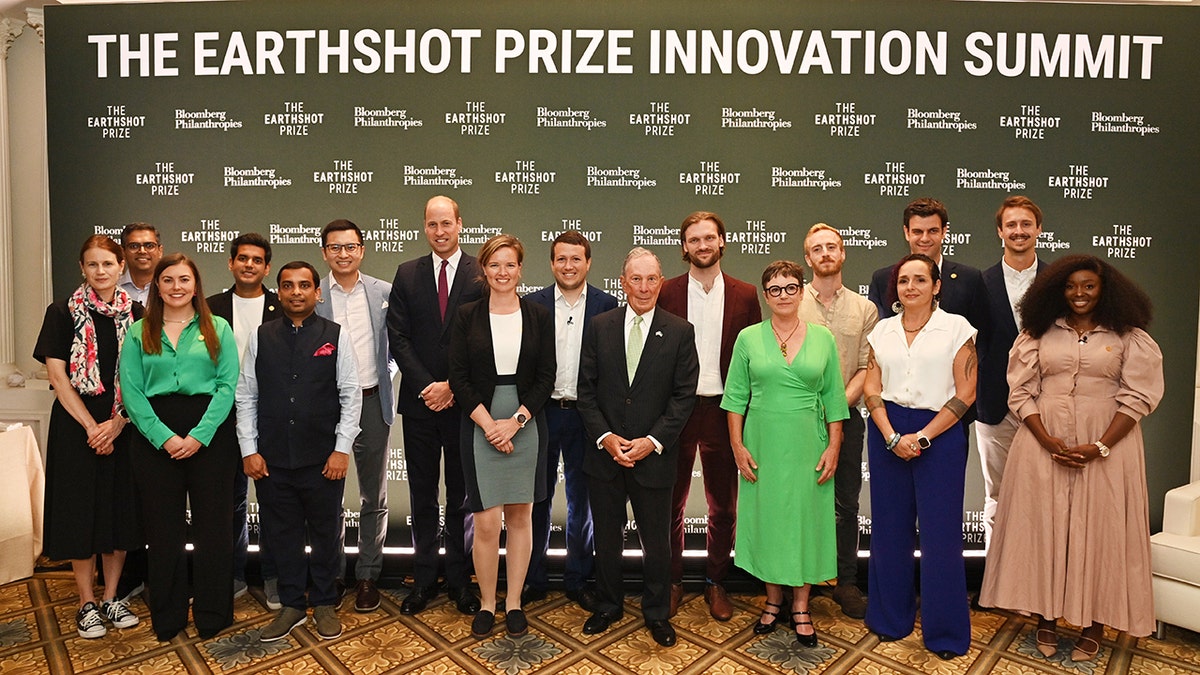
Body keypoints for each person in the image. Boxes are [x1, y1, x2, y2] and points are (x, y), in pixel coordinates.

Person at [980, 255, 1162, 662]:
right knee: (1045, 529)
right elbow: (1021, 392)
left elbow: (1138, 397)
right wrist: (1046, 439)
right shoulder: (1037, 332)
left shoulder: (1130, 336)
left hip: (1109, 449)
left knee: (1099, 531)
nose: (1079, 294)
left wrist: (1099, 446)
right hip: (1042, 444)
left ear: (1105, 290)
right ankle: (1046, 618)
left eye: (1089, 286)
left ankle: (1093, 624)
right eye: (1071, 287)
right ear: (1057, 290)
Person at [576, 247, 698, 648]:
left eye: (651, 279)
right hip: (605, 456)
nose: (643, 287)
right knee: (607, 539)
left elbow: (683, 398)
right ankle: (608, 606)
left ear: (660, 283)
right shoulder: (599, 326)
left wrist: (652, 441)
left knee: (657, 543)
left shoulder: (680, 331)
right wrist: (606, 438)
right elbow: (586, 392)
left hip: (654, 458)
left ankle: (657, 613)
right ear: (622, 281)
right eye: (636, 279)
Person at [723, 260, 847, 648]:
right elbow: (734, 399)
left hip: (807, 443)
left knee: (805, 522)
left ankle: (801, 606)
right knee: (769, 521)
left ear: (801, 290)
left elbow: (835, 398)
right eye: (775, 289)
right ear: (765, 295)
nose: (783, 295)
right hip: (762, 443)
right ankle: (773, 601)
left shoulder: (823, 337)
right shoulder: (748, 338)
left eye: (790, 287)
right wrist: (737, 446)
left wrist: (834, 445)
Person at [236, 261, 361, 642]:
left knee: (326, 533)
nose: (296, 292)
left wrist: (341, 450)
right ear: (279, 292)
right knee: (282, 533)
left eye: (304, 285)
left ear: (316, 292)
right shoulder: (261, 336)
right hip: (271, 458)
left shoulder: (335, 335)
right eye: (288, 286)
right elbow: (246, 394)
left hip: (323, 458)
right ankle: (291, 604)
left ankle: (324, 601)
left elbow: (351, 395)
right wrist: (248, 449)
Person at [120, 253, 240, 641]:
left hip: (210, 434)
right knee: (163, 531)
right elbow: (133, 393)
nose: (176, 287)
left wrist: (198, 436)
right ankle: (168, 617)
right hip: (155, 437)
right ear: (157, 286)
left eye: (184, 280)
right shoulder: (139, 332)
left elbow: (227, 386)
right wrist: (165, 437)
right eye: (168, 280)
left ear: (196, 284)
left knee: (214, 530)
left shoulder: (218, 326)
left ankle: (213, 614)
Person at [862, 253, 977, 660]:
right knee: (890, 530)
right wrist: (892, 435)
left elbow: (966, 393)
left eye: (920, 280)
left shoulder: (957, 328)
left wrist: (923, 438)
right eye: (904, 280)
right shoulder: (883, 330)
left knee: (940, 536)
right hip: (886, 433)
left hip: (940, 435)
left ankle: (945, 632)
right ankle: (889, 620)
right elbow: (872, 387)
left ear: (936, 285)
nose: (911, 287)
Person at [34, 235, 143, 639]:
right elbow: (58, 376)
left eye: (108, 264)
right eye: (92, 265)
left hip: (124, 426)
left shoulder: (137, 313)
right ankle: (86, 601)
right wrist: (92, 428)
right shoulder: (62, 312)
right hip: (76, 428)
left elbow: (142, 377)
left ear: (121, 268)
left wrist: (116, 423)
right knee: (81, 514)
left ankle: (112, 596)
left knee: (119, 512)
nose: (101, 271)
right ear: (83, 268)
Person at [448, 234, 556, 639]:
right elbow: (458, 376)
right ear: (484, 269)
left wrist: (517, 421)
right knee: (487, 520)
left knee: (520, 517)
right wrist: (490, 424)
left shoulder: (538, 315)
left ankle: (513, 602)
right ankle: (488, 603)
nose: (502, 272)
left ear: (520, 269)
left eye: (510, 265)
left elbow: (547, 375)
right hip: (479, 422)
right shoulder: (467, 315)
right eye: (495, 265)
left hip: (526, 423)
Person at [658, 211, 761, 621]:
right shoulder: (665, 292)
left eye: (709, 238)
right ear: (684, 247)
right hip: (677, 411)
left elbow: (753, 359)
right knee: (671, 503)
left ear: (722, 242)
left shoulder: (746, 293)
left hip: (724, 410)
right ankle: (673, 580)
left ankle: (717, 581)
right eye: (694, 239)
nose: (702, 245)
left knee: (724, 507)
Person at [386, 195, 484, 616]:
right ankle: (424, 579)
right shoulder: (407, 274)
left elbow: (485, 341)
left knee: (463, 496)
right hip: (421, 404)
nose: (440, 231)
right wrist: (429, 385)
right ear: (424, 228)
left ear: (460, 224)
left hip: (465, 406)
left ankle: (462, 581)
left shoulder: (482, 273)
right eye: (432, 224)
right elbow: (399, 338)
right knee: (422, 494)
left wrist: (453, 388)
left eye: (447, 223)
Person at [524, 231, 618, 610]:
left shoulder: (607, 305)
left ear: (588, 262)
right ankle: (533, 577)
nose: (568, 266)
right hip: (541, 413)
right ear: (551, 263)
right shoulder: (532, 305)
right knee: (536, 500)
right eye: (561, 259)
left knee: (584, 502)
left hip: (587, 417)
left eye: (575, 259)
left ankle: (578, 578)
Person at [798, 224, 878, 619]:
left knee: (845, 503)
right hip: (795, 422)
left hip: (845, 420)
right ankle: (802, 579)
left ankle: (846, 581)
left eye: (832, 247)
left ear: (843, 254)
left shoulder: (865, 309)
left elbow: (866, 369)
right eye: (818, 249)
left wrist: (835, 410)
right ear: (807, 258)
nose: (826, 253)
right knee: (800, 501)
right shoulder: (792, 304)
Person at [316, 219, 396, 614]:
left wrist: (386, 377)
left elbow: (396, 345)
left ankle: (367, 574)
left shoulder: (383, 292)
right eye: (335, 247)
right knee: (327, 495)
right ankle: (332, 573)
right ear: (324, 252)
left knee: (373, 497)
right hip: (324, 408)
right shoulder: (312, 296)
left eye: (350, 246)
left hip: (371, 402)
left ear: (362, 250)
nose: (343, 254)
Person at [206, 232, 283, 606]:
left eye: (257, 260)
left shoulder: (282, 304)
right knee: (228, 501)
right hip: (222, 416)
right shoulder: (210, 307)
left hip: (271, 417)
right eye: (242, 258)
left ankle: (273, 576)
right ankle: (232, 574)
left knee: (272, 500)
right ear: (231, 263)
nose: (249, 264)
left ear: (266, 267)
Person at [975, 197, 1046, 547]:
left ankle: (1040, 583)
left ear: (1038, 230)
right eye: (1012, 225)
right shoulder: (979, 282)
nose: (1019, 231)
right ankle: (996, 581)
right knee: (998, 495)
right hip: (993, 405)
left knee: (1046, 494)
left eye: (1026, 224)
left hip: (1047, 405)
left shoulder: (1058, 282)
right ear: (1000, 232)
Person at [867, 197, 987, 341]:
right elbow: (878, 339)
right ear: (906, 232)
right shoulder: (882, 280)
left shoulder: (970, 279)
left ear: (944, 232)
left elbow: (983, 338)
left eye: (932, 231)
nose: (925, 238)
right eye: (917, 231)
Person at [118, 223, 162, 305]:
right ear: (123, 251)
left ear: (160, 251)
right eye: (134, 246)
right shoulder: (111, 288)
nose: (142, 251)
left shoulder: (170, 289)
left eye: (149, 246)